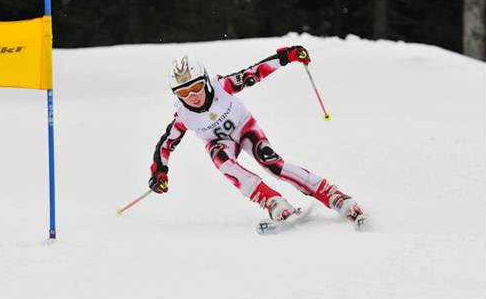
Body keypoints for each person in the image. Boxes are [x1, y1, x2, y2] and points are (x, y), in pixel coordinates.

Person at [148, 46, 365, 228]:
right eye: (184, 93)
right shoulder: (183, 116)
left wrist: (286, 57)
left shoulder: (222, 86)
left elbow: (254, 72)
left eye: (196, 87)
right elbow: (166, 145)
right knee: (224, 164)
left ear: (205, 81)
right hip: (218, 142)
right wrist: (160, 170)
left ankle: (333, 196)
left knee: (272, 164)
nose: (193, 96)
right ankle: (273, 202)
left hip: (244, 127)